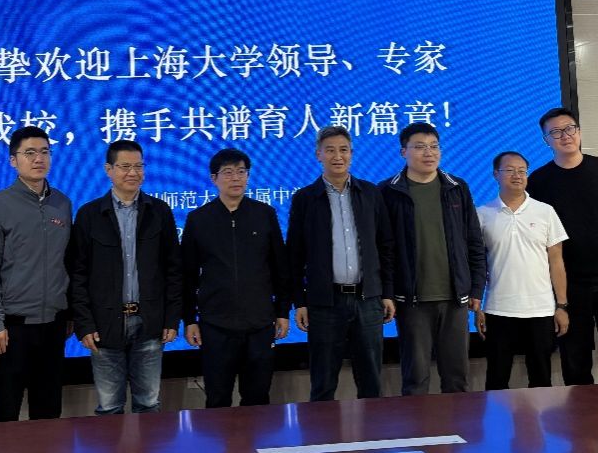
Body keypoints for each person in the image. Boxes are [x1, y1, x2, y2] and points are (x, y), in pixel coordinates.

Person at [526, 107, 598, 385]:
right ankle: (579, 412)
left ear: (578, 131)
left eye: (570, 128)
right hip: (569, 284)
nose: (565, 136)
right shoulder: (539, 181)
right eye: (555, 132)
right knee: (574, 360)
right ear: (545, 140)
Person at [70, 140, 181, 414]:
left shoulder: (159, 212)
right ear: (109, 170)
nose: (133, 173)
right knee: (110, 407)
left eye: (139, 166)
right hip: (105, 326)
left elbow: (173, 270)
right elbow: (77, 274)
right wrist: (84, 323)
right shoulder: (89, 215)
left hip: (150, 323)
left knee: (149, 405)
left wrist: (171, 318)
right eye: (125, 166)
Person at [288, 126, 395, 401]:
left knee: (370, 381)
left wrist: (386, 293)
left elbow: (385, 246)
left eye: (344, 150)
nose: (338, 156)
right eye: (330, 150)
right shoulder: (305, 198)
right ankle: (321, 429)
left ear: (352, 154)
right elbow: (295, 255)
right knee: (323, 382)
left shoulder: (370, 193)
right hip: (325, 302)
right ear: (318, 155)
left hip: (367, 300)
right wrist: (300, 301)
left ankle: (371, 429)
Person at [0, 126, 73, 423]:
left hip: (54, 325)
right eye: (29, 153)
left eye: (44, 152)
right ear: (13, 160)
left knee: (48, 410)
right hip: (12, 327)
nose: (38, 159)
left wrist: (70, 314)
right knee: (7, 410)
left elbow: (69, 262)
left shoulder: (62, 203)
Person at [380, 122, 485, 395]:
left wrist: (476, 288)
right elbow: (384, 250)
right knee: (415, 379)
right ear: (403, 152)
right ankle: (419, 424)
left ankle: (460, 423)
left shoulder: (457, 187)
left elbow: (473, 241)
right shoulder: (388, 191)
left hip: (455, 298)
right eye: (419, 147)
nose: (429, 153)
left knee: (456, 378)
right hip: (412, 300)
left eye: (434, 146)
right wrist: (387, 292)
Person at [181, 148, 291, 407]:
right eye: (228, 173)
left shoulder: (264, 214)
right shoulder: (198, 219)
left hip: (260, 323)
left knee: (257, 398)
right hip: (215, 325)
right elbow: (187, 275)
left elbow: (280, 267)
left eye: (241, 172)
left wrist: (282, 311)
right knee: (217, 399)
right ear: (214, 178)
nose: (236, 178)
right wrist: (190, 319)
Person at [475, 151, 570, 389]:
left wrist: (561, 306)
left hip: (540, 309)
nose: (517, 175)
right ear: (495, 174)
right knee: (496, 379)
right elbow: (477, 264)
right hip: (498, 308)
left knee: (541, 379)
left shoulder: (545, 211)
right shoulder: (482, 214)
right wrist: (477, 307)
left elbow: (556, 261)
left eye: (522, 171)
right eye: (509, 170)